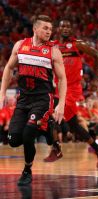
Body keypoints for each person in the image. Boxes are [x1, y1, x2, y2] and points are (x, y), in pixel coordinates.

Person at [0, 15, 67, 185]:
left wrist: (61, 104)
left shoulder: (53, 50)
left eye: (51, 29)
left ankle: (27, 170)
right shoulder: (20, 45)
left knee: (29, 134)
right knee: (14, 140)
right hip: (23, 99)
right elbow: (8, 68)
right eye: (45, 28)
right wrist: (2, 93)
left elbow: (62, 78)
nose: (49, 32)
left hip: (43, 99)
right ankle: (48, 128)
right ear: (35, 28)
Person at [43, 19, 98, 168]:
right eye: (63, 25)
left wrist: (96, 80)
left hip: (72, 90)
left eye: (68, 26)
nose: (65, 28)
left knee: (51, 114)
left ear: (71, 29)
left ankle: (56, 149)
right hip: (58, 88)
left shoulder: (77, 44)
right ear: (58, 29)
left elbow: (97, 55)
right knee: (74, 126)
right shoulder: (53, 46)